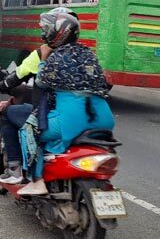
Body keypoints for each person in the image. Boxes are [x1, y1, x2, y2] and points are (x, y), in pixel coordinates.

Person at [17, 11, 114, 196]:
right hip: (104, 117)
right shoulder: (88, 54)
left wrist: (43, 60)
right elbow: (104, 81)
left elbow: (41, 82)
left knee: (28, 129)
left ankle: (37, 181)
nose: (44, 34)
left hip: (72, 120)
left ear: (57, 32)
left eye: (47, 30)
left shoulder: (56, 56)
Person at [0, 7, 78, 185]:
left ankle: (15, 169)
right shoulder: (82, 54)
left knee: (7, 114)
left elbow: (17, 76)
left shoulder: (44, 55)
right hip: (83, 117)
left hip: (51, 117)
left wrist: (1, 85)